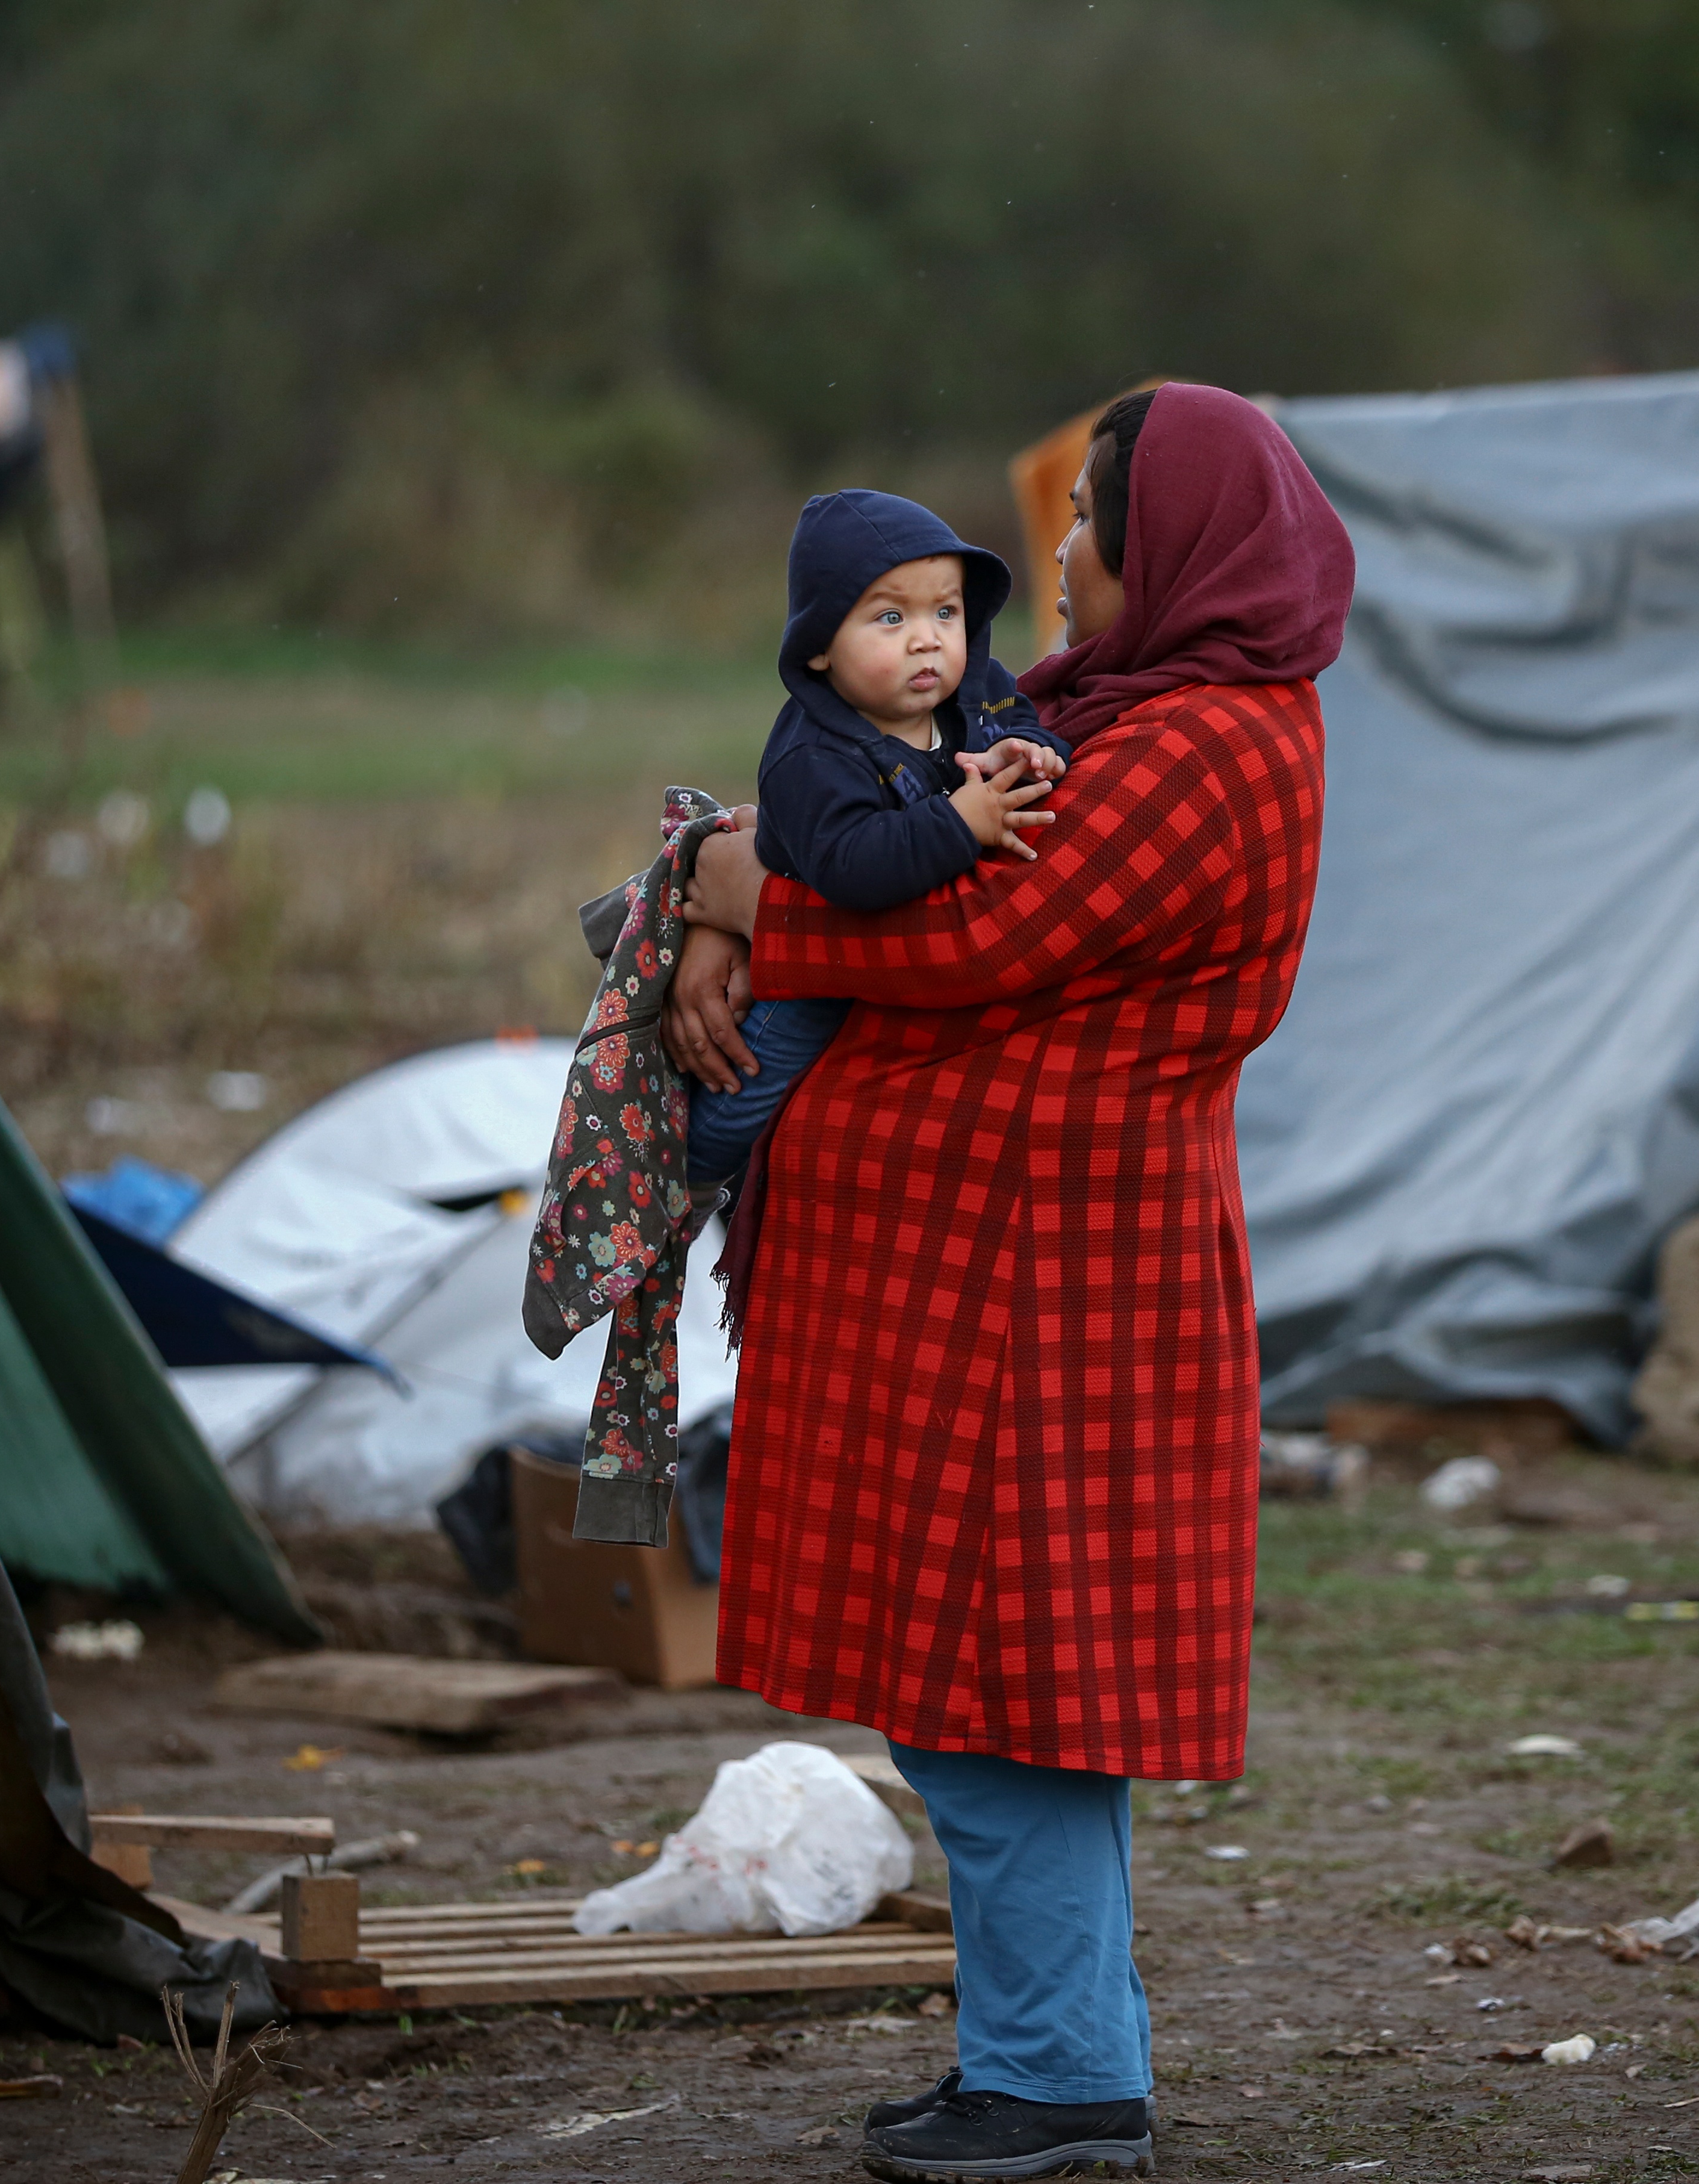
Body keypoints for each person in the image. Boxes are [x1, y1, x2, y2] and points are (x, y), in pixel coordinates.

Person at [665, 384, 1353, 2182]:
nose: (1050, 555)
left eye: (1084, 523)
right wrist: (731, 891)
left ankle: (1057, 2083)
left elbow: (974, 924)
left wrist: (735, 886)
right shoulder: (1117, 717)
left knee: (1007, 1695)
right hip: (999, 1279)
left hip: (1051, 1286)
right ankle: (1048, 2058)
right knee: (990, 1688)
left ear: (1174, 546)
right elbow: (907, 821)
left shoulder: (1210, 747)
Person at [682, 488, 1066, 1189]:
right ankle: (684, 1186)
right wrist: (961, 821)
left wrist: (1026, 748)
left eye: (944, 612)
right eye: (890, 617)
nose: (927, 639)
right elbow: (852, 869)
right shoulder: (812, 757)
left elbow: (1026, 716)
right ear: (820, 647)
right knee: (747, 1093)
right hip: (804, 971)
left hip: (897, 976)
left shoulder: (974, 690)